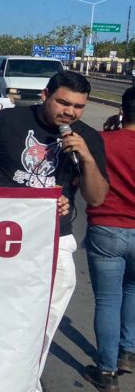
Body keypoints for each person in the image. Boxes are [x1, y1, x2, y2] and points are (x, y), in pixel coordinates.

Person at [0, 70, 109, 392]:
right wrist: (28, 200)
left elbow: (96, 197)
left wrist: (85, 157)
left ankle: (25, 381)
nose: (70, 112)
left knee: (41, 326)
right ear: (45, 95)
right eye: (63, 102)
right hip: (3, 239)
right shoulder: (8, 122)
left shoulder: (87, 138)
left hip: (56, 241)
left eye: (78, 106)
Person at [83, 87, 135, 391]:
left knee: (107, 299)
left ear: (122, 111)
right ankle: (127, 353)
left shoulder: (102, 141)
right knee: (132, 291)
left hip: (106, 228)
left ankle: (105, 371)